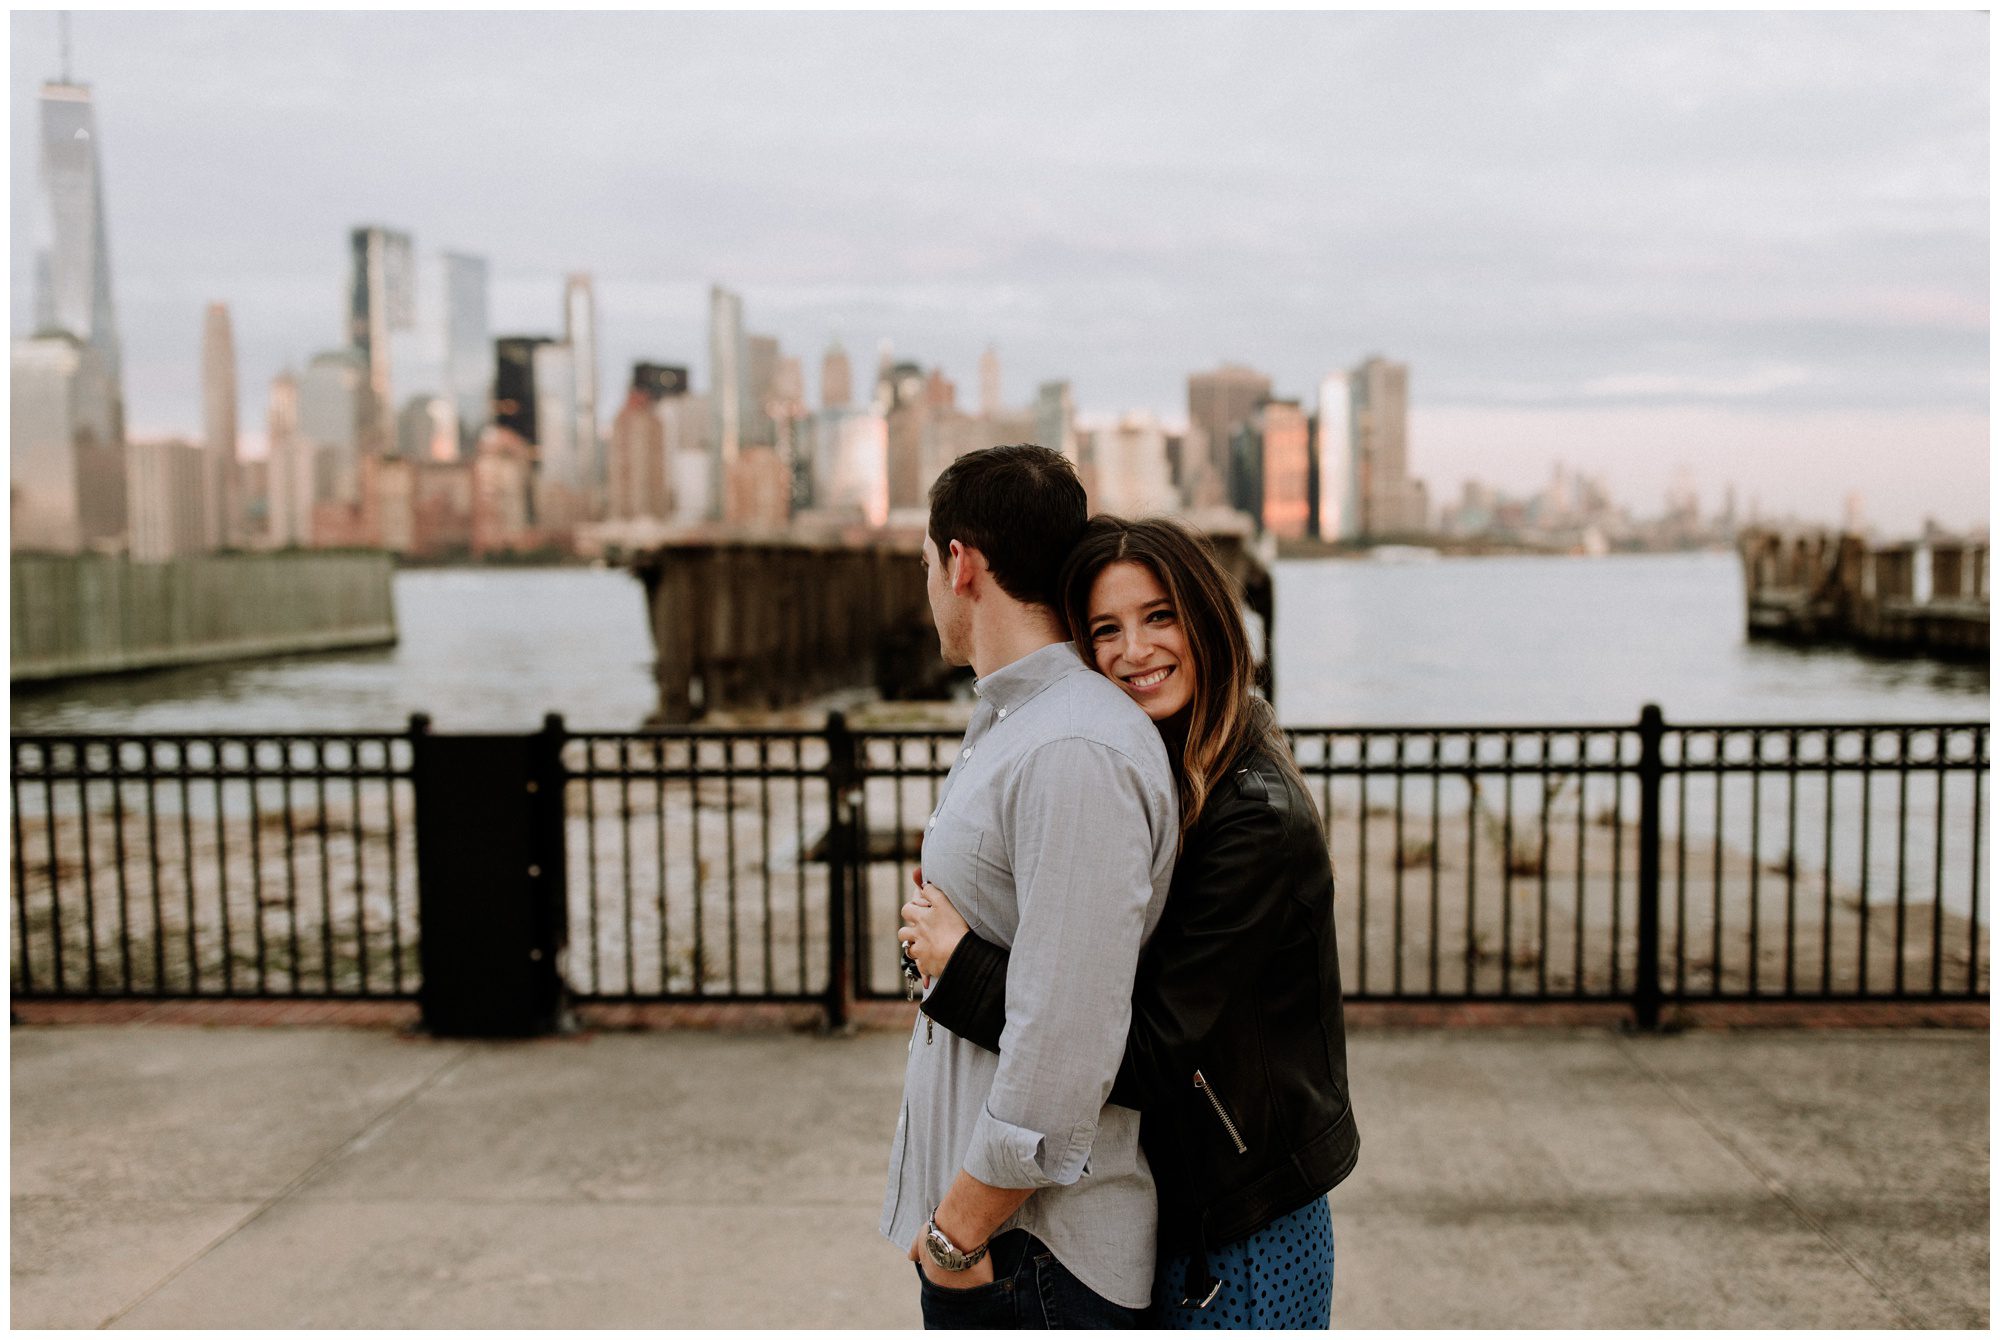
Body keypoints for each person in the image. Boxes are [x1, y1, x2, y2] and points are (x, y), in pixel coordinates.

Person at [900, 515, 1359, 1329]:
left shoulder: (1255, 818)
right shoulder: (1173, 767)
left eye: (1158, 617)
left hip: (1245, 1227)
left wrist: (962, 963)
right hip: (1189, 1201)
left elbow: (1143, 1050)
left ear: (1209, 618)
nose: (1132, 652)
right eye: (1104, 630)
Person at [880, 446, 1180, 1328]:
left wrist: (954, 1237)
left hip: (1037, 1258)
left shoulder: (1072, 749)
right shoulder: (1018, 725)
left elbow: (1068, 1038)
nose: (929, 586)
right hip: (1004, 1248)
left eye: (929, 565)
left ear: (961, 564)